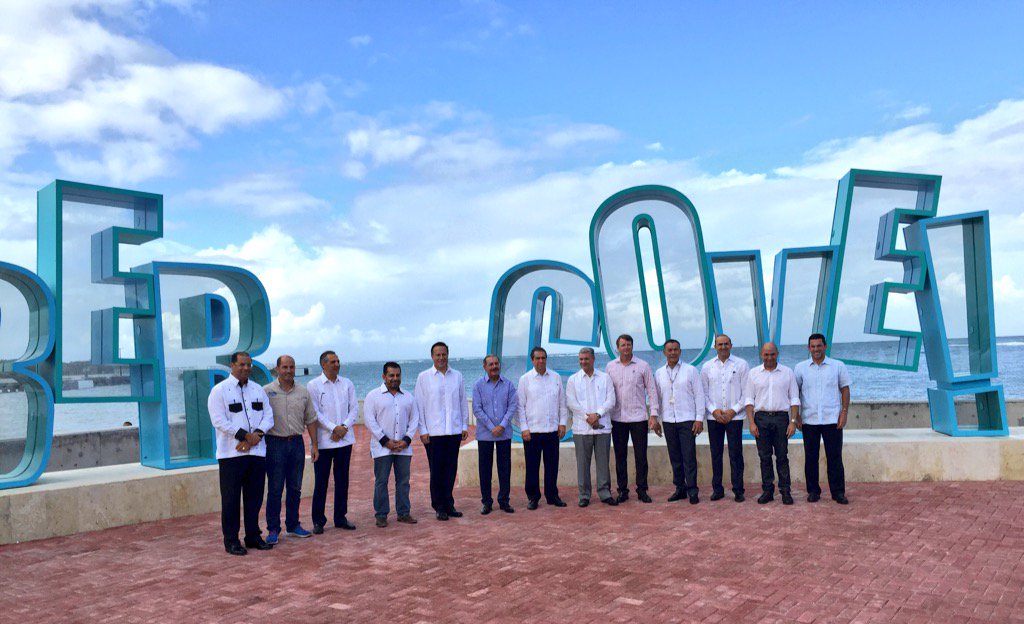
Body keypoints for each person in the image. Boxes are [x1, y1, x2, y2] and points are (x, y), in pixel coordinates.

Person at [207, 351, 274, 555]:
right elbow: (218, 420)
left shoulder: (258, 390)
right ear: (232, 365)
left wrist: (256, 436)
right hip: (231, 455)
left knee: (255, 498)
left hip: (256, 453)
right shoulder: (219, 391)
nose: (246, 368)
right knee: (231, 500)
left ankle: (253, 536)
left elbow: (268, 416)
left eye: (248, 365)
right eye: (242, 364)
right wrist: (245, 436)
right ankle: (231, 540)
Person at [263, 355, 318, 545]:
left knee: (295, 487)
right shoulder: (267, 391)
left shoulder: (303, 392)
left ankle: (293, 525)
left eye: (291, 367)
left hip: (296, 444)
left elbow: (311, 419)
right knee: (275, 488)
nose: (288, 371)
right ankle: (273, 529)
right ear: (277, 369)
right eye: (285, 367)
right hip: (275, 444)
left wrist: (315, 445)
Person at [415, 342, 469, 521]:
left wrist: (464, 426)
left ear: (448, 355)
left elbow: (462, 401)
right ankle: (439, 506)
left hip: (453, 430)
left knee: (451, 469)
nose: (441, 358)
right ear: (432, 356)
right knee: (437, 471)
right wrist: (423, 430)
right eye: (437, 355)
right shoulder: (424, 377)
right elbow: (419, 405)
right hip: (434, 433)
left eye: (444, 354)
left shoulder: (457, 376)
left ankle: (449, 503)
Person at [795, 333, 852, 505]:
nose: (816, 349)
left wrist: (844, 412)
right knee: (811, 458)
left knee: (835, 457)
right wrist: (796, 416)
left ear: (825, 346)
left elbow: (845, 389)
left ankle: (838, 492)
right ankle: (813, 491)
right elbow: (795, 393)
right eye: (813, 346)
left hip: (832, 419)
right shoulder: (800, 368)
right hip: (809, 420)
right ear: (808, 348)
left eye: (819, 345)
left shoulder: (837, 366)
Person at [364, 362, 420, 528]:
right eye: (391, 375)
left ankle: (403, 513)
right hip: (382, 448)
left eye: (397, 375)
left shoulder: (408, 397)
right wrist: (385, 441)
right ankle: (381, 514)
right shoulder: (373, 396)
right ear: (384, 376)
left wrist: (406, 440)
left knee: (403, 481)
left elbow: (414, 419)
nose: (395, 378)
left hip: (403, 448)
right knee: (381, 481)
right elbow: (370, 420)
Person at [307, 350, 359, 533]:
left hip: (344, 440)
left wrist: (343, 427)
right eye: (332, 362)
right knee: (321, 482)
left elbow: (354, 409)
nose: (337, 364)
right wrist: (333, 428)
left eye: (338, 361)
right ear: (323, 364)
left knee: (342, 480)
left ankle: (340, 517)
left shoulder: (347, 383)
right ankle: (318, 521)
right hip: (324, 441)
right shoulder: (313, 385)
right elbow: (314, 413)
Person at [605, 334, 659, 503]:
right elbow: (606, 391)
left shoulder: (643, 366)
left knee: (641, 456)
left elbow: (652, 391)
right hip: (617, 418)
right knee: (620, 457)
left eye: (628, 344)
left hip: (639, 418)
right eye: (623, 345)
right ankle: (622, 490)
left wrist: (654, 414)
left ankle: (642, 490)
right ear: (617, 348)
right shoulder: (610, 367)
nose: (626, 347)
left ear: (632, 346)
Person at [744, 342, 800, 505]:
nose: (769, 357)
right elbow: (749, 400)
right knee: (764, 457)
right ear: (761, 354)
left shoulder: (787, 373)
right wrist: (751, 423)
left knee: (782, 456)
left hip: (781, 419)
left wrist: (793, 422)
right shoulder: (753, 373)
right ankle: (768, 491)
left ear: (777, 354)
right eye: (766, 354)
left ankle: (785, 491)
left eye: (772, 354)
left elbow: (794, 399)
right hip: (761, 419)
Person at [654, 339, 705, 504]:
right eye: (669, 350)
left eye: (676, 349)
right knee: (675, 457)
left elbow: (699, 395)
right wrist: (656, 418)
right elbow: (657, 398)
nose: (673, 353)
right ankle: (680, 489)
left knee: (689, 457)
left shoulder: (691, 370)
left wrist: (699, 419)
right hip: (668, 420)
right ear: (664, 352)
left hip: (687, 419)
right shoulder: (659, 373)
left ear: (680, 351)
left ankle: (692, 490)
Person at [517, 346, 568, 510]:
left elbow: (562, 403)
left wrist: (562, 423)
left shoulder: (556, 377)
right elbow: (520, 406)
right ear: (532, 360)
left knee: (552, 466)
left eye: (543, 358)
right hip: (532, 432)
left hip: (552, 430)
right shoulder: (525, 379)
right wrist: (524, 428)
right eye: (537, 358)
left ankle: (552, 495)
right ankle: (533, 497)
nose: (541, 361)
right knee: (532, 467)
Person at [700, 334, 750, 502]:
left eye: (726, 344)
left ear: (731, 345)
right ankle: (717, 489)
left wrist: (733, 411)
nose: (723, 347)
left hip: (735, 417)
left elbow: (746, 393)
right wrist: (714, 411)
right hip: (714, 418)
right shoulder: (707, 367)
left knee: (736, 454)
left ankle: (738, 490)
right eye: (720, 344)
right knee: (716, 454)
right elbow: (703, 393)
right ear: (715, 346)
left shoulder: (741, 365)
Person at [565, 347, 617, 507]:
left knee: (603, 463)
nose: (583, 362)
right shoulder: (573, 380)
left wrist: (598, 415)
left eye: (586, 359)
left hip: (602, 427)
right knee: (582, 464)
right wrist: (588, 417)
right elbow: (571, 402)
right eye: (581, 359)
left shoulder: (605, 378)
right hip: (581, 428)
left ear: (593, 359)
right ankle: (584, 495)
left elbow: (611, 400)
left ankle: (605, 493)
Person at [471, 354, 517, 514]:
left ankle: (504, 501)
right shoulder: (478, 385)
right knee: (485, 470)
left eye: (496, 363)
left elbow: (512, 406)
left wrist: (502, 425)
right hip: (485, 434)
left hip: (504, 433)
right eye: (490, 364)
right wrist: (492, 427)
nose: (494, 367)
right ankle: (486, 502)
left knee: (505, 469)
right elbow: (477, 409)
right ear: (485, 367)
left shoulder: (509, 385)